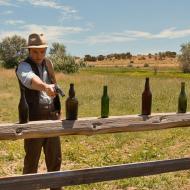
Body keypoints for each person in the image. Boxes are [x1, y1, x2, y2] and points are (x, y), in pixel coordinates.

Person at [16, 33, 63, 190]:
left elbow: (53, 84)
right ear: (29, 50)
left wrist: (58, 108)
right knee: (31, 164)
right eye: (35, 51)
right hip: (33, 119)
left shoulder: (49, 63)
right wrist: (45, 86)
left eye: (42, 51)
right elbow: (29, 79)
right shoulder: (23, 66)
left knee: (55, 161)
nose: (39, 55)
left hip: (52, 118)